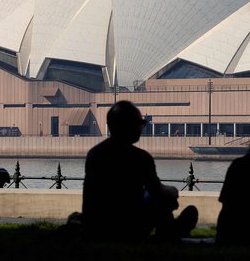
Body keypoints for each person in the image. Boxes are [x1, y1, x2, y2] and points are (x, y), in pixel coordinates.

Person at [82, 100, 198, 242]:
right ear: (128, 125)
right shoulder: (140, 157)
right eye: (140, 123)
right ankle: (168, 233)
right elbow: (157, 191)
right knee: (167, 199)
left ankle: (168, 232)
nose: (141, 127)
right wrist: (173, 190)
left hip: (97, 226)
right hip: (131, 227)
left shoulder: (94, 154)